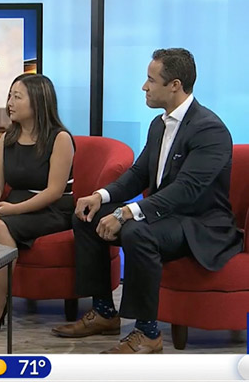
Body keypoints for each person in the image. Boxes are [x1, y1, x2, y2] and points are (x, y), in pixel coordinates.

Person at [51, 48, 243, 353]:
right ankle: (104, 312)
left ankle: (148, 333)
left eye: (151, 80)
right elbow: (138, 174)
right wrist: (100, 197)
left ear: (175, 85)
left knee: (137, 231)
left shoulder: (210, 129)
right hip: (166, 216)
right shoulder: (159, 124)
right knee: (87, 216)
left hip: (199, 224)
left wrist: (127, 213)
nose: (144, 86)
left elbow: (186, 189)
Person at [0, 73, 75, 334]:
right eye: (10, 96)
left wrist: (11, 210)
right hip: (14, 204)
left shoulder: (60, 138)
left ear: (38, 101)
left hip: (51, 209)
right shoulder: (8, 138)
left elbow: (54, 191)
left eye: (17, 97)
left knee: (0, 226)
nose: (10, 103)